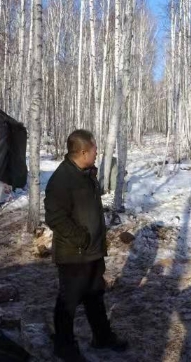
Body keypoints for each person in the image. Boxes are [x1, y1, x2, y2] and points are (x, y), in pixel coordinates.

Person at [44, 130, 127, 362]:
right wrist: (80, 238)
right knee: (69, 300)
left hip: (92, 251)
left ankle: (102, 337)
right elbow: (55, 217)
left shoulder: (86, 174)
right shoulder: (62, 180)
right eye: (94, 149)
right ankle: (63, 346)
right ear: (82, 152)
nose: (97, 152)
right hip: (75, 254)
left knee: (95, 295)